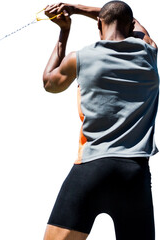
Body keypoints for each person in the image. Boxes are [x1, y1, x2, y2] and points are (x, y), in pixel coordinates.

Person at [42, 1, 159, 240]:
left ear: (99, 24)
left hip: (92, 169)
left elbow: (49, 83)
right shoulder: (148, 51)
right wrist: (78, 8)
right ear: (130, 27)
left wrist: (64, 30)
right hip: (134, 174)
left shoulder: (80, 58)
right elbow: (130, 21)